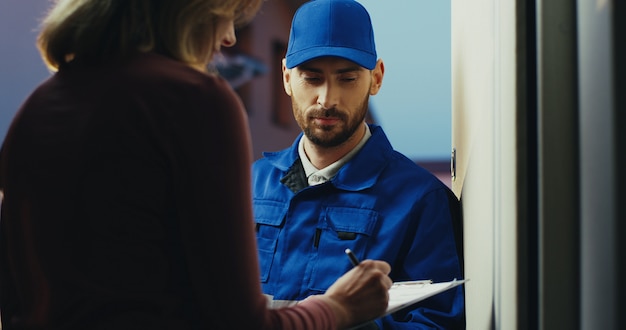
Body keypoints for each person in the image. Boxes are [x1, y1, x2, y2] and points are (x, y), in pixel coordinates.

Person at [0, 0, 394, 329]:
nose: (229, 38)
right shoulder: (192, 101)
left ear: (375, 78)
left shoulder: (37, 107)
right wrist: (339, 308)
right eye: (227, 14)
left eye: (346, 78)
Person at [252, 0, 466, 328]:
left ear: (376, 78)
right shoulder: (251, 186)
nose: (327, 99)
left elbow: (437, 322)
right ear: (286, 77)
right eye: (311, 78)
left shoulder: (421, 201)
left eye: (347, 79)